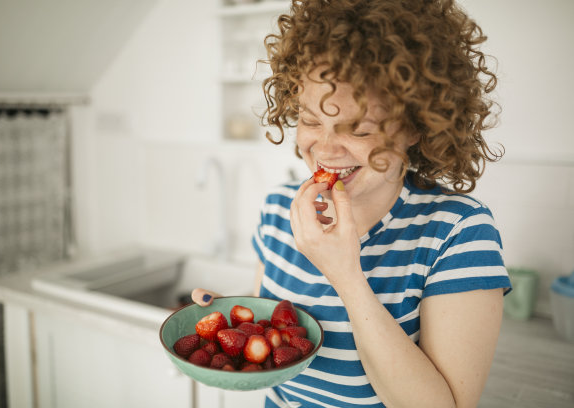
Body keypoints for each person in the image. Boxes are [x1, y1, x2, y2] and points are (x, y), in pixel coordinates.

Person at [192, 0, 511, 406]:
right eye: (309, 121)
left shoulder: (459, 233)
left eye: (356, 129)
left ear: (416, 126)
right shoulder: (278, 209)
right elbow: (278, 331)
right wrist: (232, 322)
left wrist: (346, 275)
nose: (323, 148)